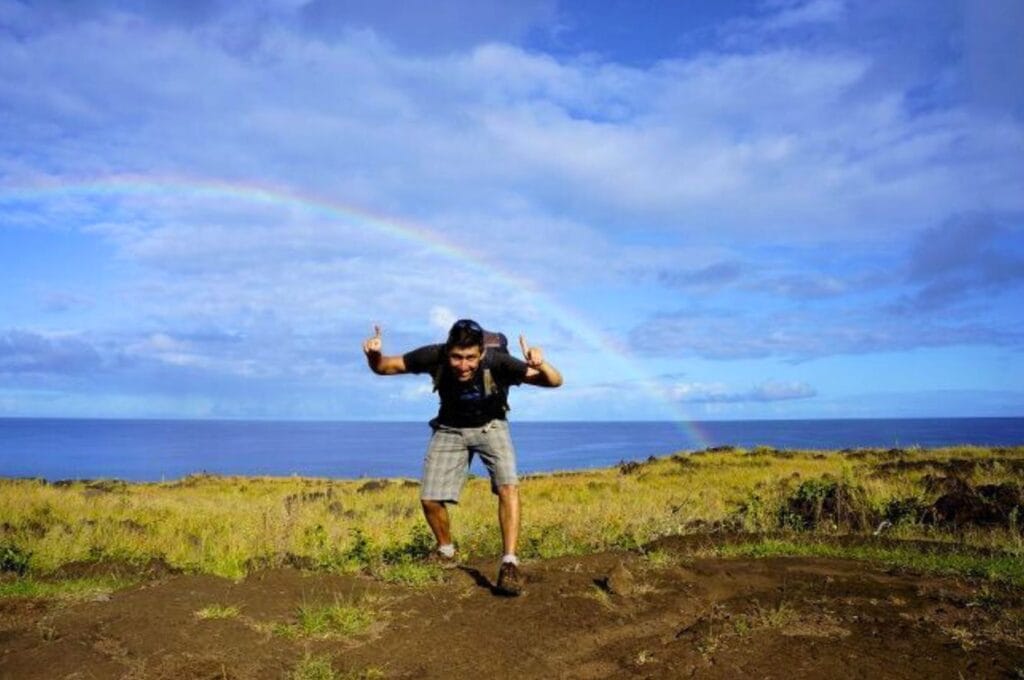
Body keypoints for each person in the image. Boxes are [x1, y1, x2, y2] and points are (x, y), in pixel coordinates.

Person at [362, 318, 563, 595]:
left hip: (492, 426)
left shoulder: (499, 362)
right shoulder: (433, 355)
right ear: (448, 351)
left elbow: (554, 381)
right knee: (430, 498)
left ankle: (509, 563)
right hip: (449, 428)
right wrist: (374, 356)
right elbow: (384, 367)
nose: (464, 365)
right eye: (457, 357)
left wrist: (542, 364)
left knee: (508, 487)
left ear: (481, 352)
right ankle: (446, 551)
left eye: (470, 358)